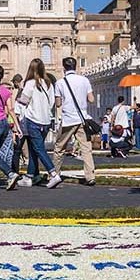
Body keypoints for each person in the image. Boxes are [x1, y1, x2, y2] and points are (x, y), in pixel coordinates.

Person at [53, 57, 97, 186]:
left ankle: (55, 173)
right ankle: (90, 176)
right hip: (82, 119)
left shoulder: (60, 83)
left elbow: (58, 104)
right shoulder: (84, 80)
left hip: (68, 119)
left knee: (59, 147)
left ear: (64, 68)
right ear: (76, 67)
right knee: (86, 149)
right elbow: (91, 99)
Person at [19, 58, 63, 189]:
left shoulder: (30, 83)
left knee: (38, 149)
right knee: (34, 149)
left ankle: (53, 174)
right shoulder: (49, 83)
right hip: (46, 121)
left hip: (33, 120)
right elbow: (52, 103)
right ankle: (30, 176)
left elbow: (23, 102)